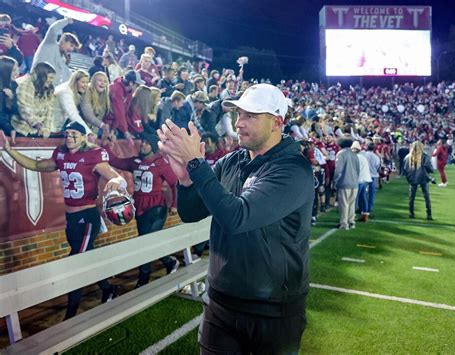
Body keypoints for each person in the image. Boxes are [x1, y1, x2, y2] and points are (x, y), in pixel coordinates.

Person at [157, 83, 314, 354]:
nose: (238, 123)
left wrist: (196, 163)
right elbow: (191, 212)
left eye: (250, 116)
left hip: (273, 310)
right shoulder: (231, 162)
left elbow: (237, 217)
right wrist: (185, 180)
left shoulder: (293, 169)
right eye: (238, 115)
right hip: (220, 303)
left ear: (277, 122)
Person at [0, 121, 127, 319]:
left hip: (87, 217)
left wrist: (116, 182)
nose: (69, 136)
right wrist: (9, 150)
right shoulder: (61, 154)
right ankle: (108, 288)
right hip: (71, 217)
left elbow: (115, 176)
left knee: (75, 263)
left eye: (74, 133)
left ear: (83, 136)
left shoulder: (93, 154)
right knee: (87, 256)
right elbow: (35, 165)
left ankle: (70, 314)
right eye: (67, 133)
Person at [104, 133, 180, 288]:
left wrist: (174, 205)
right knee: (149, 241)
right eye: (142, 142)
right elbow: (115, 161)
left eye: (146, 143)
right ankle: (169, 261)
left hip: (156, 207)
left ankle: (143, 279)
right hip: (139, 206)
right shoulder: (135, 162)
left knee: (145, 243)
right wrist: (107, 145)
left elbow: (175, 184)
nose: (142, 145)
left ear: (152, 145)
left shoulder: (160, 163)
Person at [11, 61, 56, 138]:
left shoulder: (49, 88)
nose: (51, 81)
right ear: (42, 76)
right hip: (22, 129)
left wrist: (47, 128)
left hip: (38, 130)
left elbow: (50, 110)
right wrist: (38, 126)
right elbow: (25, 110)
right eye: (50, 77)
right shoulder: (26, 84)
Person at [32, 18, 81, 85]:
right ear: (63, 41)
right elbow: (53, 29)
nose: (71, 49)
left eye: (73, 48)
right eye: (71, 45)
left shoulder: (62, 59)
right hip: (36, 82)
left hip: (47, 89)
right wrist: (67, 21)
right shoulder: (50, 43)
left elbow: (65, 76)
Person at [52, 69, 92, 135]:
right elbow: (73, 115)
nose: (86, 85)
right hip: (50, 129)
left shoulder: (73, 92)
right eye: (83, 82)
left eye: (87, 82)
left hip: (57, 129)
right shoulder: (65, 92)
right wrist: (88, 133)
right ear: (75, 81)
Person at [334, 137, 360, 230]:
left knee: (344, 204)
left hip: (344, 182)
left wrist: (335, 179)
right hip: (354, 182)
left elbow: (338, 169)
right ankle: (351, 222)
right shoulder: (354, 154)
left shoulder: (341, 154)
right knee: (351, 204)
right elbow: (358, 169)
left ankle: (344, 224)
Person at [403, 141, 433, 220]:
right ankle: (429, 214)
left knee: (411, 197)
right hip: (423, 178)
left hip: (412, 178)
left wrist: (408, 177)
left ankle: (411, 213)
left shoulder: (407, 157)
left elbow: (405, 169)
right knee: (426, 196)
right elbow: (429, 167)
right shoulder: (424, 156)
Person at [0, 55, 19, 136]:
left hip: (11, 124)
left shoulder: (14, 85)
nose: (17, 73)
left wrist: (12, 98)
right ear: (6, 71)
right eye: (14, 70)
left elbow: (17, 110)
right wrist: (9, 129)